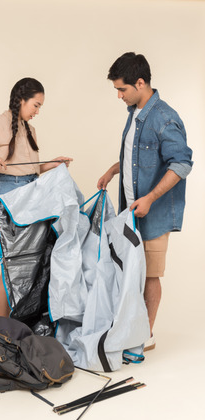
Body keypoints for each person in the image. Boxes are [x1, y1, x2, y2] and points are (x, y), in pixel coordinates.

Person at [97, 53, 193, 350]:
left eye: (122, 89)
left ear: (140, 83)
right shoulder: (135, 113)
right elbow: (137, 158)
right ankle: (131, 327)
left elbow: (181, 163)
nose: (118, 95)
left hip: (154, 212)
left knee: (150, 274)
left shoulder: (164, 117)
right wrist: (114, 170)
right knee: (132, 271)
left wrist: (150, 198)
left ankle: (145, 336)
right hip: (132, 211)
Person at [0, 77, 73, 317]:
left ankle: (22, 323)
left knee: (29, 267)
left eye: (40, 107)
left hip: (32, 196)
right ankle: (1, 328)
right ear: (21, 100)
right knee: (9, 267)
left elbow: (29, 169)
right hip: (8, 197)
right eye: (36, 105)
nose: (38, 111)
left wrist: (52, 163)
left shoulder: (31, 129)